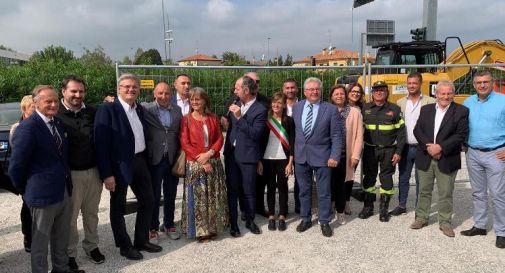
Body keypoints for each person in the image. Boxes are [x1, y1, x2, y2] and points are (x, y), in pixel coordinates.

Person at [9, 85, 84, 273]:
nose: (53, 105)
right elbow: (16, 166)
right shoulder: (27, 128)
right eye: (47, 101)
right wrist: (25, 190)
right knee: (40, 243)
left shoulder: (56, 123)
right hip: (41, 195)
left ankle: (61, 269)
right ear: (36, 103)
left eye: (55, 101)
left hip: (62, 192)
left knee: (61, 237)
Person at [94, 73, 161, 260]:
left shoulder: (138, 108)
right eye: (126, 86)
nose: (131, 89)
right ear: (118, 89)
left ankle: (141, 240)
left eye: (134, 87)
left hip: (139, 161)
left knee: (148, 200)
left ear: (139, 90)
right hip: (118, 166)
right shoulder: (107, 109)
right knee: (118, 207)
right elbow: (100, 144)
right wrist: (107, 174)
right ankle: (125, 245)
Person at [409, 80, 469, 237]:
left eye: (449, 93)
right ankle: (421, 217)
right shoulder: (426, 109)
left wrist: (440, 147)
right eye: (442, 93)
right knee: (423, 190)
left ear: (453, 94)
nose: (446, 96)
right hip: (426, 156)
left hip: (447, 157)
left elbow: (460, 135)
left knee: (446, 193)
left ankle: (445, 222)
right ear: (436, 94)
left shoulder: (461, 111)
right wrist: (430, 147)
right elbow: (417, 130)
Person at [57, 76, 105, 270]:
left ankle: (91, 246)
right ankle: (69, 254)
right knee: (70, 218)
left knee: (92, 214)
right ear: (63, 92)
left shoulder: (92, 112)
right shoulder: (56, 113)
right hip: (70, 175)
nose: (78, 95)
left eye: (81, 91)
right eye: (73, 91)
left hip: (93, 172)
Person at [293, 77, 343, 237]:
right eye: (311, 89)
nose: (314, 92)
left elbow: (336, 135)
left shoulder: (330, 109)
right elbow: (295, 133)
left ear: (321, 91)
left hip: (323, 157)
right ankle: (305, 218)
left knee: (324, 192)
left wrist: (335, 155)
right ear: (305, 91)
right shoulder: (297, 107)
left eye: (317, 89)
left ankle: (324, 221)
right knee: (304, 190)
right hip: (301, 156)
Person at [461, 70, 505, 249]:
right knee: (478, 192)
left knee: (497, 194)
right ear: (474, 85)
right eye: (478, 83)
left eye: (485, 82)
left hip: (496, 153)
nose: (482, 85)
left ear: (492, 82)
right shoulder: (468, 102)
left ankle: (502, 232)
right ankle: (480, 225)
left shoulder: (502, 100)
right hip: (473, 153)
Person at [179, 87, 229, 242]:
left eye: (198, 99)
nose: (194, 102)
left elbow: (220, 138)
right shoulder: (186, 120)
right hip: (195, 164)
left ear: (205, 101)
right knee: (198, 198)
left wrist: (209, 154)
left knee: (213, 197)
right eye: (192, 99)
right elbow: (185, 143)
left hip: (213, 162)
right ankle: (200, 230)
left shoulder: (213, 118)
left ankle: (213, 227)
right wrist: (202, 160)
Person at [224, 75, 267, 237]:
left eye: (237, 88)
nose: (234, 90)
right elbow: (229, 127)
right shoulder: (235, 103)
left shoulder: (261, 109)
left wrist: (240, 117)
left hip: (248, 156)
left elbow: (255, 134)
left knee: (249, 191)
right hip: (231, 155)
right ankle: (233, 223)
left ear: (246, 90)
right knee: (232, 190)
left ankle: (250, 220)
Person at [141, 82, 183, 242]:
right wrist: (111, 100)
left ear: (171, 94)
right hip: (155, 158)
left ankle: (169, 224)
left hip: (172, 159)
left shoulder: (177, 110)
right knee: (154, 195)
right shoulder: (146, 109)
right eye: (160, 93)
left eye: (166, 93)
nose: (163, 96)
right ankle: (152, 228)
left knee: (171, 194)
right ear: (154, 94)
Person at [359, 81, 405, 222]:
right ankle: (368, 207)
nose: (379, 92)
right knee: (369, 177)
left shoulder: (395, 109)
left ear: (387, 92)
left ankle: (383, 209)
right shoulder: (365, 109)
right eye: (376, 90)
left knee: (386, 178)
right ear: (372, 93)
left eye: (382, 90)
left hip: (388, 150)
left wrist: (398, 151)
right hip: (370, 149)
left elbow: (401, 133)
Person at [391, 72, 436, 216]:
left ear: (420, 84)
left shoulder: (430, 102)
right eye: (409, 83)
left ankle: (420, 208)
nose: (411, 86)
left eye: (414, 83)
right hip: (405, 147)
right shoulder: (400, 102)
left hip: (422, 148)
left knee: (421, 179)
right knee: (403, 177)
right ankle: (402, 205)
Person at [258, 92, 294, 231]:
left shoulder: (289, 121)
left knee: (283, 187)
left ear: (284, 105)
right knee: (271, 188)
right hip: (267, 159)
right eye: (274, 102)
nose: (276, 105)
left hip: (283, 160)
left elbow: (292, 142)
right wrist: (259, 161)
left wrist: (291, 163)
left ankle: (283, 215)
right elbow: (260, 143)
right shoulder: (266, 120)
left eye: (279, 102)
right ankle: (272, 215)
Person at [328, 85, 363, 225]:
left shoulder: (354, 112)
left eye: (342, 93)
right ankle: (329, 207)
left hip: (345, 155)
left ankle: (340, 211)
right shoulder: (327, 110)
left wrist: (355, 155)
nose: (339, 96)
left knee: (342, 185)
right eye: (336, 93)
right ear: (331, 96)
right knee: (328, 184)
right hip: (329, 155)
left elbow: (359, 136)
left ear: (346, 95)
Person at [9, 95, 35, 253]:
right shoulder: (17, 127)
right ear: (24, 109)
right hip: (27, 175)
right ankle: (28, 237)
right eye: (33, 106)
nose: (36, 108)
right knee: (28, 207)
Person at [282, 78, 301, 213]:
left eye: (292, 87)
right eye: (287, 88)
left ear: (297, 89)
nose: (290, 90)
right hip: (282, 148)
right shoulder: (278, 105)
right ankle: (284, 207)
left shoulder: (304, 104)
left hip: (300, 147)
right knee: (283, 179)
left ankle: (299, 206)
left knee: (300, 178)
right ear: (283, 90)